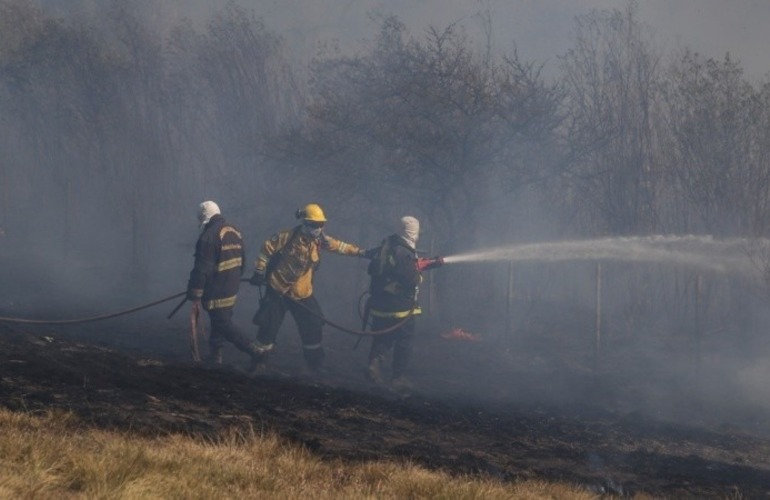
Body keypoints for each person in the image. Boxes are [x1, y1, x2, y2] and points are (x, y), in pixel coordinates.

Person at [249, 203, 369, 374]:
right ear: (305, 223)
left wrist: (362, 253)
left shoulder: (320, 241)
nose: (318, 228)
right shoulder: (286, 237)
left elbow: (340, 247)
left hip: (302, 293)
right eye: (314, 225)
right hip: (278, 290)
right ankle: (258, 363)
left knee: (313, 325)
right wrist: (259, 271)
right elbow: (266, 250)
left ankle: (314, 365)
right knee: (268, 326)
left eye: (321, 225)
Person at [364, 216, 442, 390]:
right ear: (412, 232)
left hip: (380, 303)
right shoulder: (404, 252)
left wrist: (426, 263)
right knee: (404, 341)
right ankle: (398, 377)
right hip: (400, 306)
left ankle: (374, 365)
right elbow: (410, 279)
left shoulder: (389, 244)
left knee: (383, 336)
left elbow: (397, 268)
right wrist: (419, 275)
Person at [187, 201, 262, 365]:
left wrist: (195, 292)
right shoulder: (234, 231)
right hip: (232, 285)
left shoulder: (208, 236)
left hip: (217, 288)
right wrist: (235, 279)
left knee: (222, 323)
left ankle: (254, 350)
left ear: (204, 219)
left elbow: (202, 269)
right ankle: (216, 355)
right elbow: (243, 261)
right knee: (219, 319)